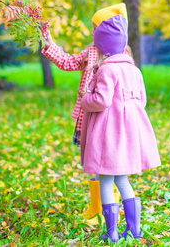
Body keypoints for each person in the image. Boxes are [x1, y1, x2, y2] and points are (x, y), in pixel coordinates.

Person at [80, 3, 161, 242]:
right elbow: (142, 101)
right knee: (123, 180)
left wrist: (86, 98)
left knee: (106, 179)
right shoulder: (134, 71)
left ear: (101, 45)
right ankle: (134, 230)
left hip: (109, 135)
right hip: (129, 135)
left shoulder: (106, 71)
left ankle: (112, 232)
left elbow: (102, 101)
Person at [41, 17, 122, 225]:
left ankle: (110, 206)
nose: (96, 34)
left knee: (111, 164)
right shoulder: (90, 52)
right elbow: (68, 62)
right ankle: (97, 208)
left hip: (108, 120)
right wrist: (50, 44)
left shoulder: (120, 55)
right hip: (88, 118)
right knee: (94, 163)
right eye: (95, 30)